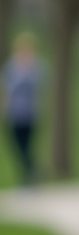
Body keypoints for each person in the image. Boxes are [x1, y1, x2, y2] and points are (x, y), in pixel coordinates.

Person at [2, 33, 43, 187]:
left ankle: (27, 178)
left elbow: (39, 87)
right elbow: (6, 90)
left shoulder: (36, 67)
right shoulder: (11, 67)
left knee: (27, 146)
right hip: (14, 113)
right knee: (17, 147)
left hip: (30, 114)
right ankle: (30, 172)